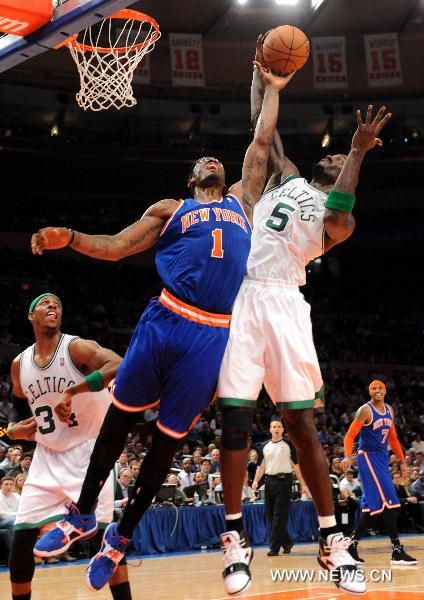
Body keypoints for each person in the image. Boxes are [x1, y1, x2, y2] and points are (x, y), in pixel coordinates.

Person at [33, 64, 292, 592]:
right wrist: (71, 236)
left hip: (210, 335)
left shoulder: (242, 202)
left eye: (216, 158)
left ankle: (119, 538)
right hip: (164, 322)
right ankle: (82, 514)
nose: (211, 159)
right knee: (118, 422)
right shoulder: (170, 210)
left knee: (165, 448)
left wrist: (273, 89)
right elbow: (115, 245)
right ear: (191, 179)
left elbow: (263, 140)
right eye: (202, 160)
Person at [215, 35, 392, 595]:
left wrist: (360, 150)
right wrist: (266, 81)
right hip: (243, 294)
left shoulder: (338, 219)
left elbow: (341, 215)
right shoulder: (286, 178)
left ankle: (331, 540)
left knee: (302, 424)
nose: (336, 156)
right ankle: (234, 538)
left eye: (344, 160)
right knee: (237, 421)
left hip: (286, 302)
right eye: (337, 154)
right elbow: (261, 131)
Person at [7, 293, 133, 600]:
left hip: (89, 451)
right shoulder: (19, 364)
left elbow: (117, 363)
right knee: (21, 537)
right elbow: (16, 408)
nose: (53, 306)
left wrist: (74, 389)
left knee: (105, 542)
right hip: (47, 456)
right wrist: (11, 430)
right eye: (44, 303)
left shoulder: (75, 347)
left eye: (57, 304)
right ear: (30, 316)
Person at [342, 380, 417, 565]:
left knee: (372, 506)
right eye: (373, 388)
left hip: (382, 458)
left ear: (385, 390)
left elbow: (393, 437)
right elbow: (350, 435)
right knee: (390, 501)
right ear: (369, 392)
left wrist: (401, 461)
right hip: (367, 457)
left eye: (380, 388)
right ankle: (397, 551)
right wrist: (346, 456)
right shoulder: (365, 410)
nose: (377, 390)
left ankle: (350, 547)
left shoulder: (390, 410)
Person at [252, 420, 302, 556]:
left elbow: (296, 466)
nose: (276, 429)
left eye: (279, 427)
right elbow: (260, 466)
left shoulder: (288, 445)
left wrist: (303, 483)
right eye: (274, 427)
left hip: (285, 482)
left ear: (282, 430)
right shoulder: (264, 446)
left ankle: (274, 548)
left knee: (279, 515)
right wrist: (256, 481)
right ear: (270, 429)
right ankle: (287, 542)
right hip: (269, 482)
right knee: (270, 514)